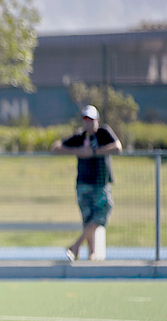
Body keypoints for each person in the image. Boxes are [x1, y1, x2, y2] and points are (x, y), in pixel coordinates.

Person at [50, 105, 123, 261]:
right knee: (88, 219)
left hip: (101, 183)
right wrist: (77, 151)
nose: (88, 123)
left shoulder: (103, 133)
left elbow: (118, 147)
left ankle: (76, 246)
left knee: (102, 213)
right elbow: (55, 147)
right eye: (86, 120)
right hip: (83, 184)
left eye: (91, 120)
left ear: (97, 120)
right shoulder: (80, 136)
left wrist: (94, 152)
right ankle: (91, 254)